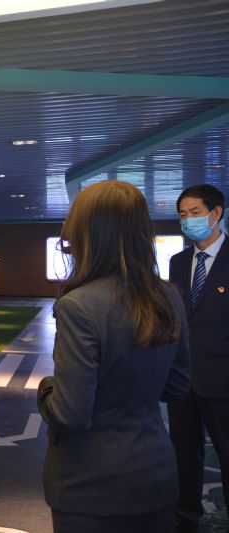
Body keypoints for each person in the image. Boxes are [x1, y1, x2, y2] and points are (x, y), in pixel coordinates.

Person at [37, 180, 191, 532]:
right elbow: (177, 387)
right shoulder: (170, 296)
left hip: (90, 488)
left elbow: (70, 414)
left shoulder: (78, 305)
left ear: (86, 234)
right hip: (156, 477)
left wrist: (45, 389)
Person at [167, 184, 229, 533]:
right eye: (183, 215)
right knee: (184, 452)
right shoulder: (178, 262)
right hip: (182, 379)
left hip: (222, 378)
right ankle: (186, 514)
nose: (188, 220)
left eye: (195, 213)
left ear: (216, 213)